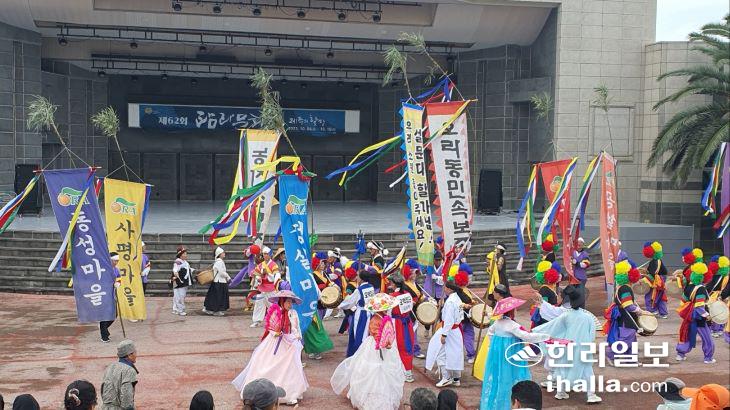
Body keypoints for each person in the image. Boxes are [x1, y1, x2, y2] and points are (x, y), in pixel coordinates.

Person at [232, 289, 307, 405]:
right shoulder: (276, 312)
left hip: (289, 343)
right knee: (266, 364)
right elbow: (271, 328)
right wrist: (275, 333)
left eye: (291, 302)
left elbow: (296, 329)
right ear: (282, 301)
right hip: (274, 342)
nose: (289, 304)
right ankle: (261, 393)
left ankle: (290, 394)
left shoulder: (293, 314)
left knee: (290, 367)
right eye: (287, 301)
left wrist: (296, 337)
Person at [331, 293, 405, 410]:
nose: (388, 309)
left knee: (384, 369)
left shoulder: (384, 317)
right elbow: (376, 334)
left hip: (385, 347)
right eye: (386, 308)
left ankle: (384, 393)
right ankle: (372, 395)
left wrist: (388, 341)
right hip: (376, 347)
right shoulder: (375, 319)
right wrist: (385, 343)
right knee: (374, 368)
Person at [532, 286, 602, 403]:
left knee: (563, 368)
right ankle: (591, 395)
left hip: (568, 344)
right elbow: (591, 334)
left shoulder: (566, 315)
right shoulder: (588, 317)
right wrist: (589, 344)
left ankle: (561, 392)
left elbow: (553, 326)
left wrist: (537, 331)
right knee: (587, 370)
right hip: (583, 346)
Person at [480, 297, 549, 410]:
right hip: (510, 357)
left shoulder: (497, 323)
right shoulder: (512, 325)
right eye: (515, 309)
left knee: (498, 378)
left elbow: (490, 333)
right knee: (510, 379)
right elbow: (526, 336)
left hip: (498, 356)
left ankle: (495, 405)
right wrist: (546, 336)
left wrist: (495, 347)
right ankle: (507, 405)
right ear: (512, 311)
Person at [604, 260, 652, 363]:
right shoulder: (625, 289)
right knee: (626, 340)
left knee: (632, 340)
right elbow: (628, 305)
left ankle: (631, 359)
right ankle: (611, 355)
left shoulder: (622, 287)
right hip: (626, 319)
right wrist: (639, 310)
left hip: (626, 318)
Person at [425, 281, 464, 388]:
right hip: (455, 331)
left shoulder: (451, 302)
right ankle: (456, 378)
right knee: (455, 354)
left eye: (445, 288)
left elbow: (449, 320)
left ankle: (446, 378)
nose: (444, 289)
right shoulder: (457, 298)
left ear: (450, 289)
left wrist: (444, 335)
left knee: (440, 353)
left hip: (449, 331)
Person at [676, 262, 715, 364]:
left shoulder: (689, 286)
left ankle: (680, 354)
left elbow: (683, 301)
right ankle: (708, 358)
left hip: (689, 316)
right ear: (703, 277)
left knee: (686, 335)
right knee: (707, 338)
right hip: (699, 318)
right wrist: (707, 316)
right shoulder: (701, 289)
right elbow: (699, 306)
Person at [338, 271, 375, 357]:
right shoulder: (371, 287)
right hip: (370, 312)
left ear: (361, 279)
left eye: (358, 276)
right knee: (367, 334)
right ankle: (366, 354)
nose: (357, 277)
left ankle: (357, 355)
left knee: (358, 334)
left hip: (361, 314)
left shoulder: (359, 290)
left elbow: (350, 302)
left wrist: (340, 305)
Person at [388, 271, 416, 382]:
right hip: (407, 323)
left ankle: (400, 371)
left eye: (391, 282)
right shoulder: (407, 294)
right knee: (408, 346)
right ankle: (407, 371)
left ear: (394, 284)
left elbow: (388, 313)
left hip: (397, 324)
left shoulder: (392, 297)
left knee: (397, 347)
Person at [100, 340, 139, 410]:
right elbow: (126, 395)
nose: (136, 355)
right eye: (135, 352)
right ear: (129, 355)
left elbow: (103, 388)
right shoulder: (129, 370)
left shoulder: (111, 366)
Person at [250, 247, 281, 328]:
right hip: (262, 288)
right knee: (259, 304)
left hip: (271, 288)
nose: (265, 255)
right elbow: (256, 275)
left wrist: (268, 273)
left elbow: (276, 277)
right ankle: (257, 321)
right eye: (264, 254)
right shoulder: (260, 265)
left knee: (272, 304)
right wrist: (259, 278)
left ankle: (276, 320)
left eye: (267, 254)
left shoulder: (274, 265)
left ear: (270, 255)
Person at [453, 269, 477, 364]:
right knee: (464, 337)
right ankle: (468, 355)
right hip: (461, 318)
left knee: (468, 337)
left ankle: (470, 354)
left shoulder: (465, 290)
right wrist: (470, 304)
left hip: (467, 318)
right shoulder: (459, 292)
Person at [529, 261, 561, 328]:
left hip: (551, 314)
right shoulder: (544, 289)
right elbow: (543, 304)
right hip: (545, 319)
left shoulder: (550, 288)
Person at [100, 252, 122, 343]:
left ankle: (104, 329)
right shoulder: (103, 269)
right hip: (104, 294)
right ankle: (104, 335)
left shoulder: (116, 269)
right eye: (114, 261)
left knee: (114, 315)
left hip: (112, 295)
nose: (116, 262)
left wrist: (118, 283)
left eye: (117, 261)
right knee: (105, 315)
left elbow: (119, 278)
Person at [643, 241, 669, 319]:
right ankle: (663, 313)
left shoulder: (655, 261)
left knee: (650, 295)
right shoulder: (657, 260)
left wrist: (645, 275)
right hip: (661, 280)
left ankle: (652, 310)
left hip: (657, 281)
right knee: (661, 297)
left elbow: (654, 273)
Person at [203, 247, 231, 316]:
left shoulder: (218, 261)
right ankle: (216, 310)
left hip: (218, 281)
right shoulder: (219, 262)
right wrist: (228, 276)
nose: (224, 253)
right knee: (218, 297)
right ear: (219, 254)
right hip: (219, 282)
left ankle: (211, 309)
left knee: (214, 296)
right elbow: (221, 272)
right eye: (223, 252)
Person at [707, 255, 729, 337]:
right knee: (722, 312)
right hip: (723, 296)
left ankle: (715, 330)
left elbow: (710, 287)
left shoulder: (717, 275)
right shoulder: (725, 275)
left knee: (714, 312)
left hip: (716, 296)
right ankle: (719, 329)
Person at [172, 246, 193, 316]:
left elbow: (188, 269)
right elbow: (175, 269)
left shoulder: (185, 262)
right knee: (180, 296)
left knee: (178, 295)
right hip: (179, 282)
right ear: (180, 255)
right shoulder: (178, 261)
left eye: (186, 253)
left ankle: (175, 309)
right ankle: (181, 310)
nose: (186, 255)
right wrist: (175, 272)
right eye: (184, 253)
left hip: (184, 282)